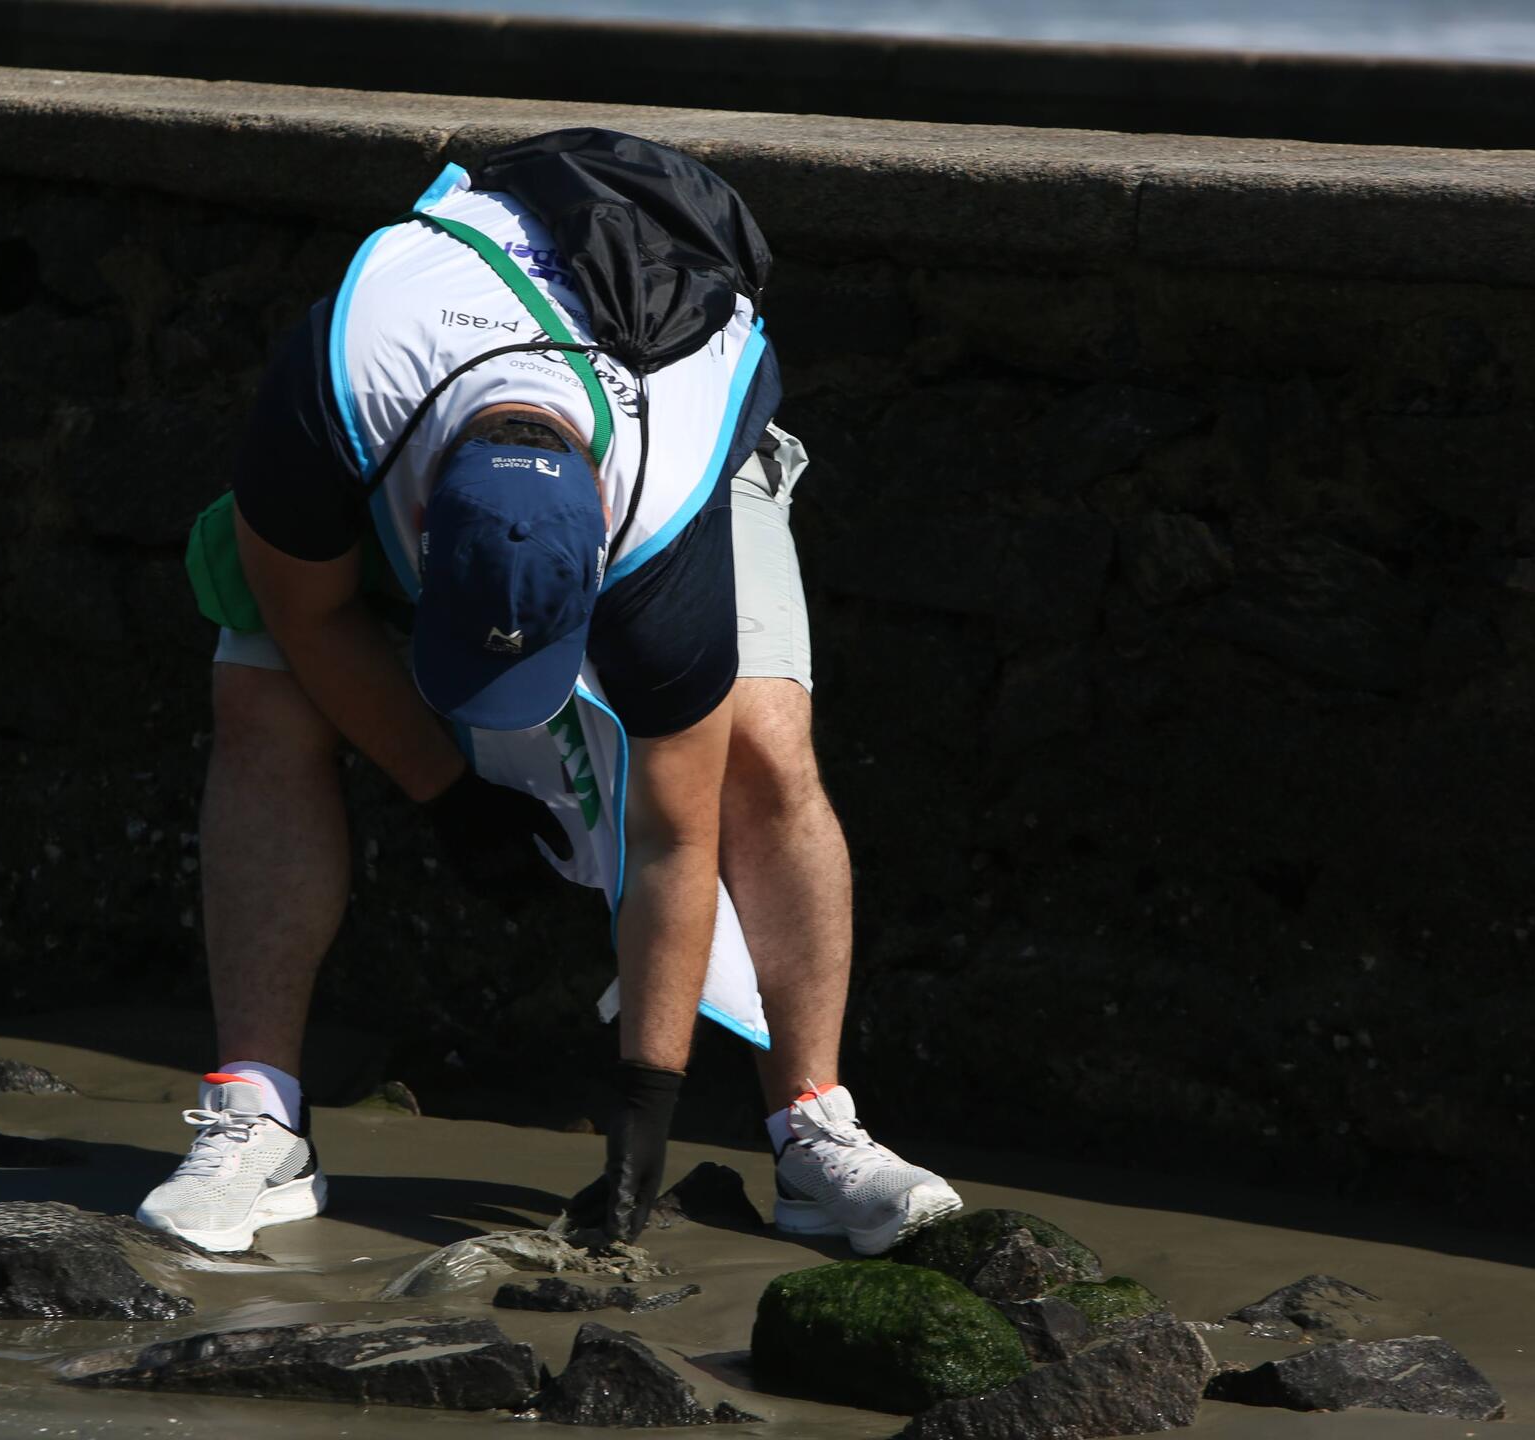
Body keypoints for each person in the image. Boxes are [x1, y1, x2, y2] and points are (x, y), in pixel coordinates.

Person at [138, 129, 962, 1257]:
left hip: (674, 427)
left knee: (762, 741)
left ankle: (815, 1131)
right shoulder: (335, 391)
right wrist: (445, 791)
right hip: (424, 405)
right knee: (266, 697)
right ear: (419, 529)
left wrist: (643, 1111)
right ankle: (257, 1118)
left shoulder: (660, 523)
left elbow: (669, 838)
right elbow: (309, 613)